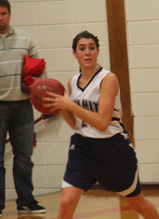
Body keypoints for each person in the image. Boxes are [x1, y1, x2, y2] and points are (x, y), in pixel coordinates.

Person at [43, 31, 159, 219]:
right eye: (82, 49)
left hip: (112, 148)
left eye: (91, 48)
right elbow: (76, 124)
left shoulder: (108, 79)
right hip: (83, 148)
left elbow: (102, 122)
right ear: (75, 54)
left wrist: (70, 105)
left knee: (138, 203)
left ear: (97, 51)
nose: (87, 53)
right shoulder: (72, 82)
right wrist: (61, 107)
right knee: (66, 203)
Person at [0, 0, 46, 216]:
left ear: (10, 14)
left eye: (3, 13)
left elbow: (41, 70)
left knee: (24, 158)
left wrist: (41, 89)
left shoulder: (25, 38)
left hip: (23, 107)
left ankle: (26, 201)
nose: (0, 17)